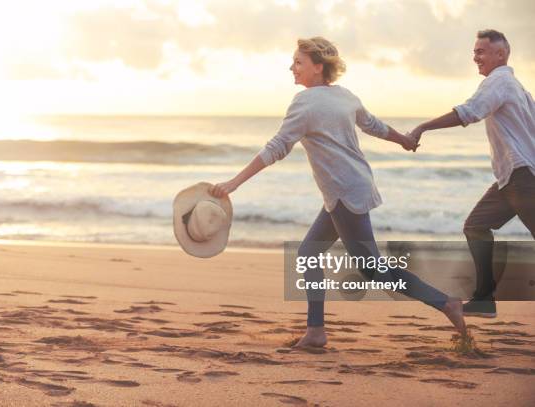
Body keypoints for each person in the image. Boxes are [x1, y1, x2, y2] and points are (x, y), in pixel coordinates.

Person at [209, 37, 466, 348]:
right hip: (350, 188)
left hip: (344, 192)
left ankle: (445, 302)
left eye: (299, 62)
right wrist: (403, 140)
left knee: (373, 270)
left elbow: (277, 147)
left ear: (318, 67)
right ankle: (315, 331)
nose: (292, 67)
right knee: (309, 253)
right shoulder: (345, 96)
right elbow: (373, 125)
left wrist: (234, 182)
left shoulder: (304, 102)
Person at [408, 29, 535, 318]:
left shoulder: (499, 81)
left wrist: (421, 127)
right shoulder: (517, 87)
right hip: (511, 179)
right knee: (476, 225)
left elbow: (469, 112)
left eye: (481, 51)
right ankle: (484, 299)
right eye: (474, 51)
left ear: (500, 54)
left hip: (522, 178)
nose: (474, 56)